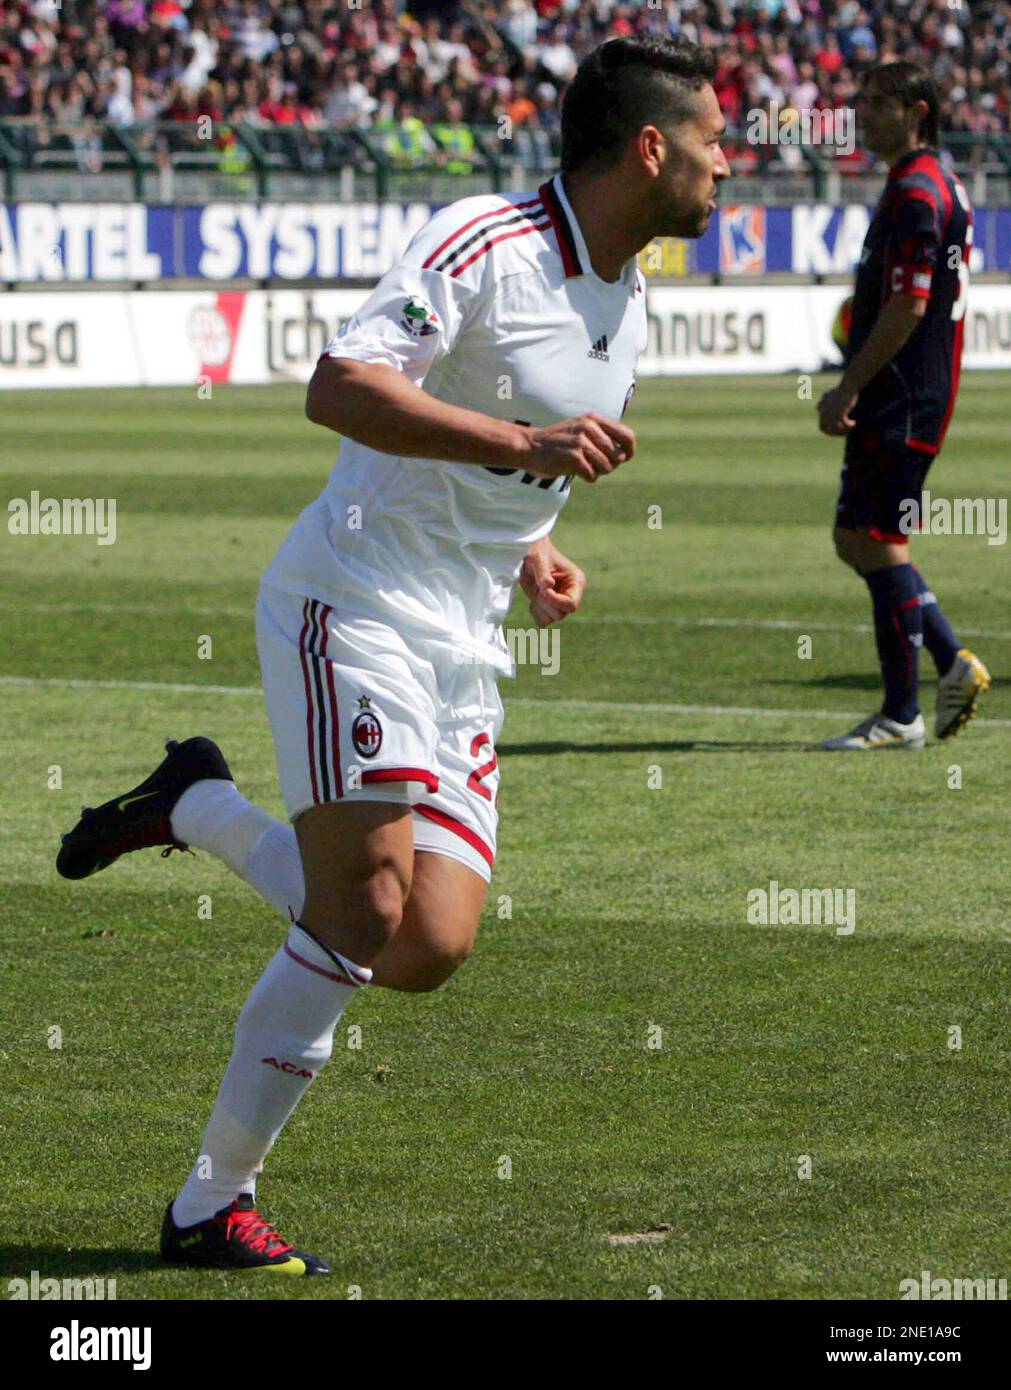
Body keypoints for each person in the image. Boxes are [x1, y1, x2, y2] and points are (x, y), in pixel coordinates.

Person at [56, 34, 728, 1274]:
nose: (727, 163)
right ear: (650, 147)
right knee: (361, 908)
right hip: (351, 600)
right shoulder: (485, 237)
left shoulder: (629, 294)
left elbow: (520, 458)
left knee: (426, 945)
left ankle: (193, 803)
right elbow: (342, 384)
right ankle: (210, 1199)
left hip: (461, 642)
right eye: (713, 140)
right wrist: (520, 439)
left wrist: (531, 550)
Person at [817, 61, 989, 751]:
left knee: (879, 541)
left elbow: (910, 303)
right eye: (859, 99)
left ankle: (901, 714)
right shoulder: (918, 182)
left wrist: (849, 382)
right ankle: (949, 663)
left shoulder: (918, 192)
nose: (861, 112)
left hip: (904, 397)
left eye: (876, 102)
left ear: (916, 110)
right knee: (855, 539)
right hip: (905, 393)